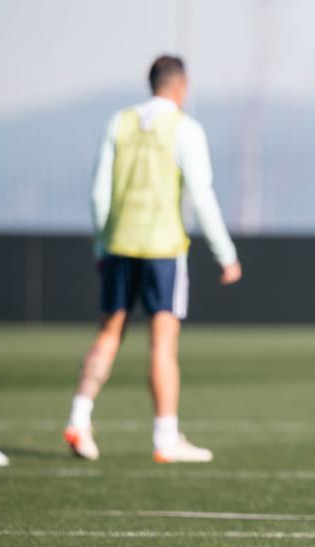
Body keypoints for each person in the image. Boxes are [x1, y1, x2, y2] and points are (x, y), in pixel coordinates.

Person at [63, 55, 241, 463]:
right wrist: (226, 254)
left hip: (119, 245)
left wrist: (101, 245)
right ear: (182, 87)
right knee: (162, 344)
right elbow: (202, 194)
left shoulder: (119, 122)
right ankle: (165, 437)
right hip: (162, 248)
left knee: (108, 334)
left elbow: (98, 193)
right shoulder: (186, 129)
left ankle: (79, 417)